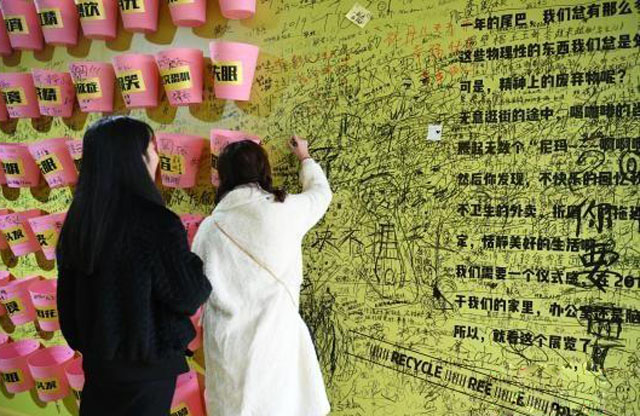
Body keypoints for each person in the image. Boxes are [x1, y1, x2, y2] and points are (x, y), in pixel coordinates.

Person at [56, 116, 212, 416]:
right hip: (147, 370)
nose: (157, 157)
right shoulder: (156, 222)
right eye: (151, 148)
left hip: (99, 366)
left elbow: (67, 303)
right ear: (134, 158)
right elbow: (189, 294)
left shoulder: (80, 221)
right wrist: (192, 261)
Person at [192, 136, 332, 416]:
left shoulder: (210, 229)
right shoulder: (285, 210)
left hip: (229, 349)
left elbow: (194, 289)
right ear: (264, 170)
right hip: (277, 343)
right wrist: (305, 157)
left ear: (222, 177)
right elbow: (321, 193)